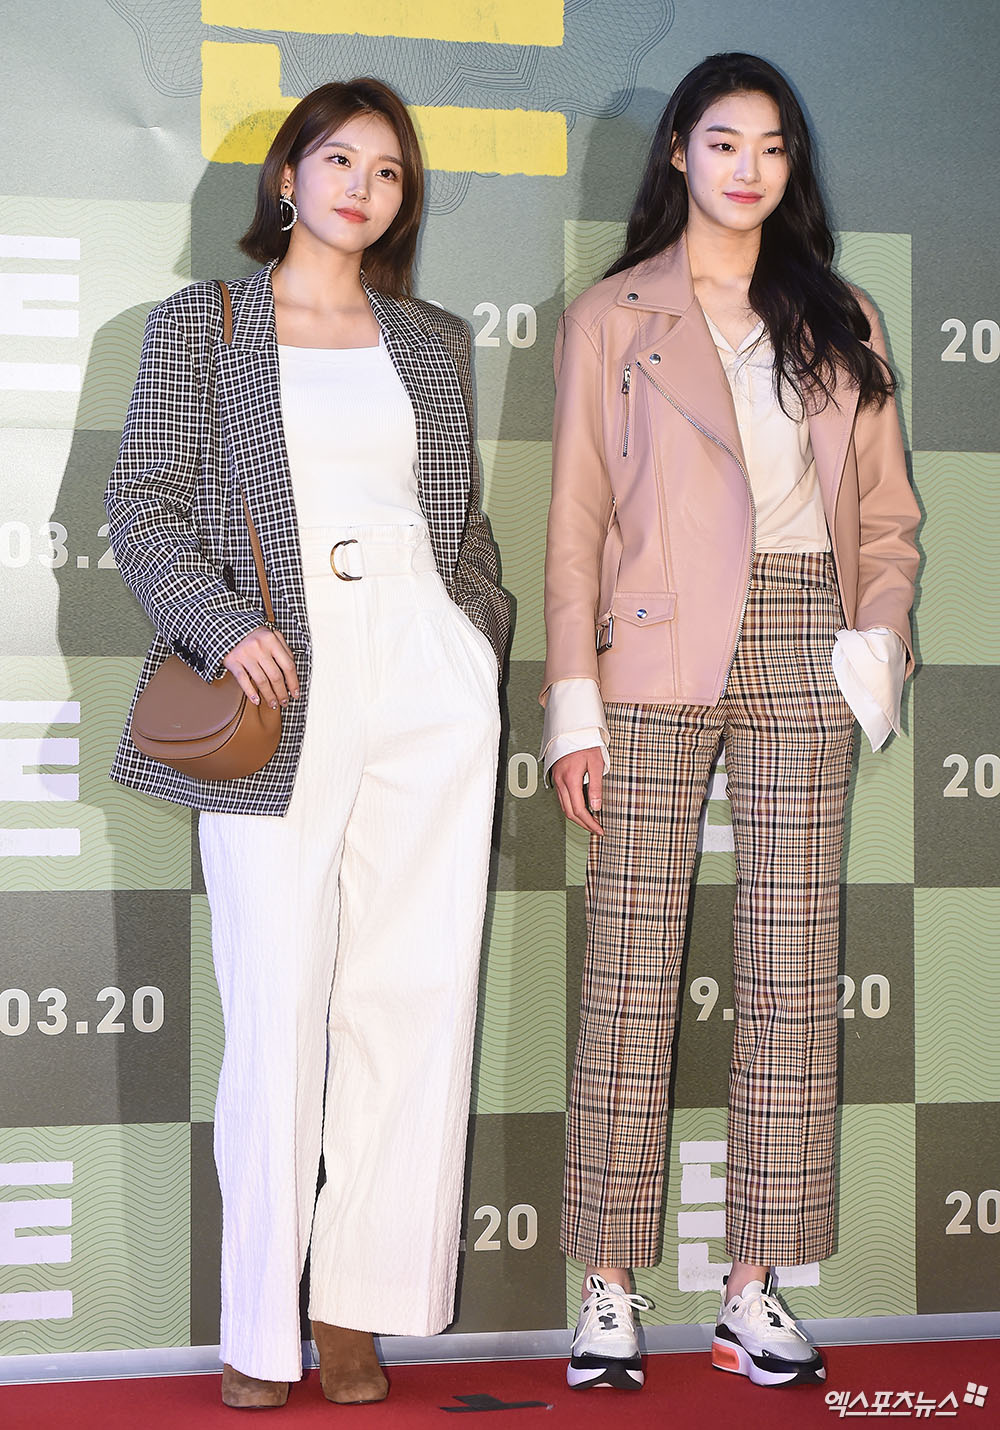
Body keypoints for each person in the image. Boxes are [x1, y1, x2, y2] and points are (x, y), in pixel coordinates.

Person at [106, 78, 508, 1409]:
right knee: (277, 1006)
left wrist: (477, 646)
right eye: (339, 159)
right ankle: (256, 1326)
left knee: (414, 998)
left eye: (388, 172)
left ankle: (359, 1306)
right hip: (282, 675)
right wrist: (221, 627)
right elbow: (146, 507)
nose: (362, 187)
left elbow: (461, 526)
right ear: (288, 176)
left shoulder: (434, 341)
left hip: (424, 668)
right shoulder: (203, 325)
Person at [541, 52, 919, 1391]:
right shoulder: (611, 317)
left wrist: (871, 640)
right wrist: (571, 703)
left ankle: (753, 1287)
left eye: (772, 146)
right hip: (648, 652)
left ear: (790, 167)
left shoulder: (841, 314)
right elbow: (576, 520)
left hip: (802, 641)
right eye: (722, 142)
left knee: (790, 972)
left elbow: (888, 517)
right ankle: (604, 1282)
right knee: (629, 973)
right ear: (678, 159)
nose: (748, 167)